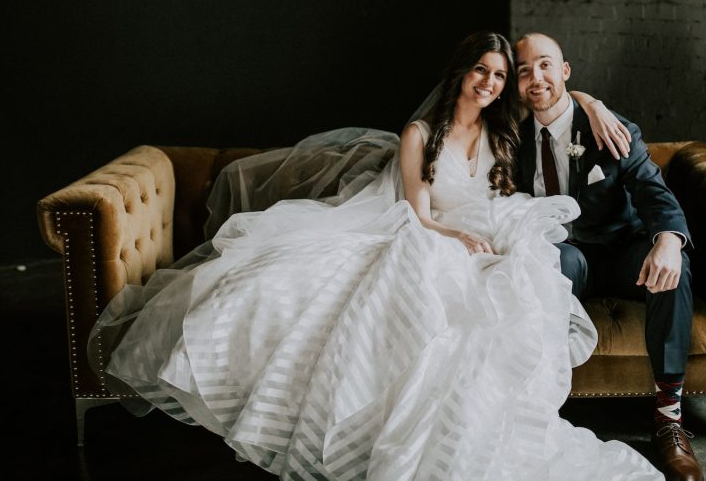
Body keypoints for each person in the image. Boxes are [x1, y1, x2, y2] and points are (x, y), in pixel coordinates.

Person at [90, 31, 663, 480]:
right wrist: (452, 237)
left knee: (513, 292)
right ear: (462, 72)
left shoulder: (504, 131)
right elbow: (417, 210)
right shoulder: (420, 133)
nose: (490, 83)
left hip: (486, 232)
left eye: (499, 76)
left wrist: (588, 98)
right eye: (481, 72)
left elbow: (552, 100)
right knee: (374, 292)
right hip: (428, 229)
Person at [514, 32, 703, 481]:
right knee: (557, 263)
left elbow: (652, 190)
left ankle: (669, 418)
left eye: (545, 65)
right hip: (561, 253)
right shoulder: (510, 135)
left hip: (619, 251)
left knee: (675, 269)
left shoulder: (609, 128)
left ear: (565, 71)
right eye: (524, 70)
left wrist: (670, 240)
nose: (535, 77)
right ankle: (540, 407)